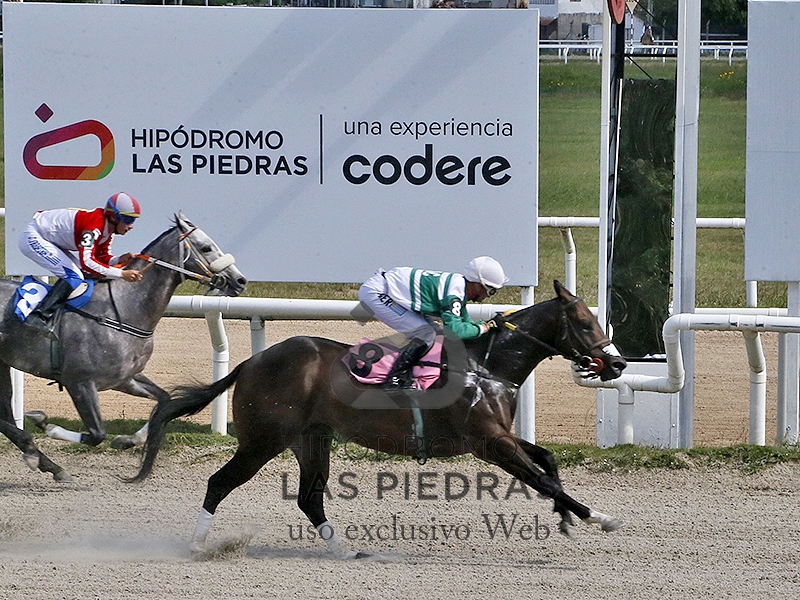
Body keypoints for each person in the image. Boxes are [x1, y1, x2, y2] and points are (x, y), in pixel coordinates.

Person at [358, 256, 509, 387]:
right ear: (478, 284)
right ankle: (395, 378)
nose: (489, 295)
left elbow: (466, 323)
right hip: (378, 292)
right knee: (426, 334)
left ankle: (410, 371)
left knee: (435, 334)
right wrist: (484, 328)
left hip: (388, 289)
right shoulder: (454, 294)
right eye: (491, 290)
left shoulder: (459, 287)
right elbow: (455, 331)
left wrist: (486, 327)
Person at [18, 192, 144, 336]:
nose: (131, 226)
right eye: (128, 220)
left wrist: (119, 259)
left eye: (133, 220)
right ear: (114, 218)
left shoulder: (107, 230)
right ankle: (39, 316)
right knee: (74, 275)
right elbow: (87, 263)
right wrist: (121, 274)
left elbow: (101, 258)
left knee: (81, 274)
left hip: (49, 239)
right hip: (34, 236)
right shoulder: (94, 227)